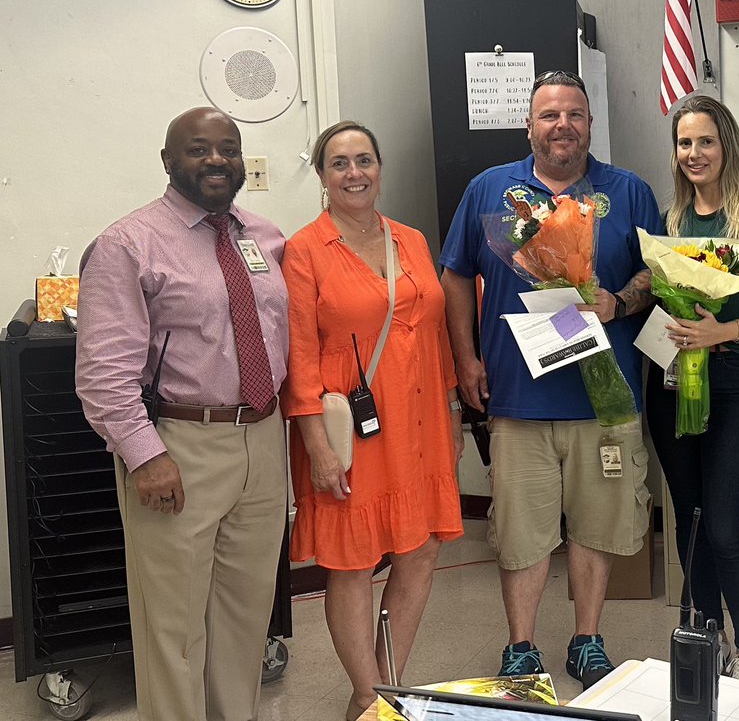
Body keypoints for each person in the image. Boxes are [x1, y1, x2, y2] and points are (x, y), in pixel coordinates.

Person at [439, 70, 659, 688]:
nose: (563, 125)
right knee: (521, 528)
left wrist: (619, 299)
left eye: (575, 115)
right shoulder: (490, 190)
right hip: (517, 395)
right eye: (549, 115)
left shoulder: (629, 191)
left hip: (603, 396)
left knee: (597, 523)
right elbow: (455, 274)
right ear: (529, 125)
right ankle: (521, 645)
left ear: (590, 123)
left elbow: (656, 274)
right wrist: (465, 360)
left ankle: (587, 639)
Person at [76, 107, 288, 721]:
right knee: (173, 628)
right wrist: (147, 457)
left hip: (264, 439)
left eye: (229, 148)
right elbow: (103, 374)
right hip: (180, 446)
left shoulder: (265, 236)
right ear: (168, 161)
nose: (216, 160)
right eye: (198, 149)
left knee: (245, 616)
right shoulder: (127, 243)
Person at [282, 121, 464, 720]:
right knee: (353, 563)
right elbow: (300, 359)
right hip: (350, 439)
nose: (354, 173)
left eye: (364, 160)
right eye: (340, 163)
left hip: (422, 425)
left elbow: (434, 334)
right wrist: (318, 447)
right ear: (322, 176)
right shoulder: (305, 251)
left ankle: (393, 685)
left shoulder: (410, 239)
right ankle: (365, 696)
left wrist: (453, 411)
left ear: (380, 167)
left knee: (421, 552)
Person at [645, 96, 739, 683]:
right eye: (684, 143)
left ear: (727, 146)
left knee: (728, 524)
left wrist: (721, 332)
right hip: (673, 381)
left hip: (736, 382)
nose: (694, 153)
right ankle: (704, 634)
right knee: (689, 516)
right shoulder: (671, 221)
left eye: (705, 141)